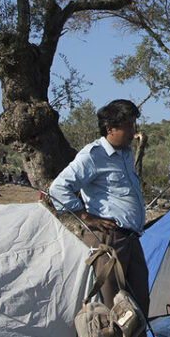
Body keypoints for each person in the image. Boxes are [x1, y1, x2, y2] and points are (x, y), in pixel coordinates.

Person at [49, 99, 149, 315]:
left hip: (131, 240)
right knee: (114, 309)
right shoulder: (93, 155)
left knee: (139, 305)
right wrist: (84, 215)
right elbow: (58, 188)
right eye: (128, 126)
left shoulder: (125, 153)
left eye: (134, 125)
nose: (133, 132)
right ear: (109, 128)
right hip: (108, 240)